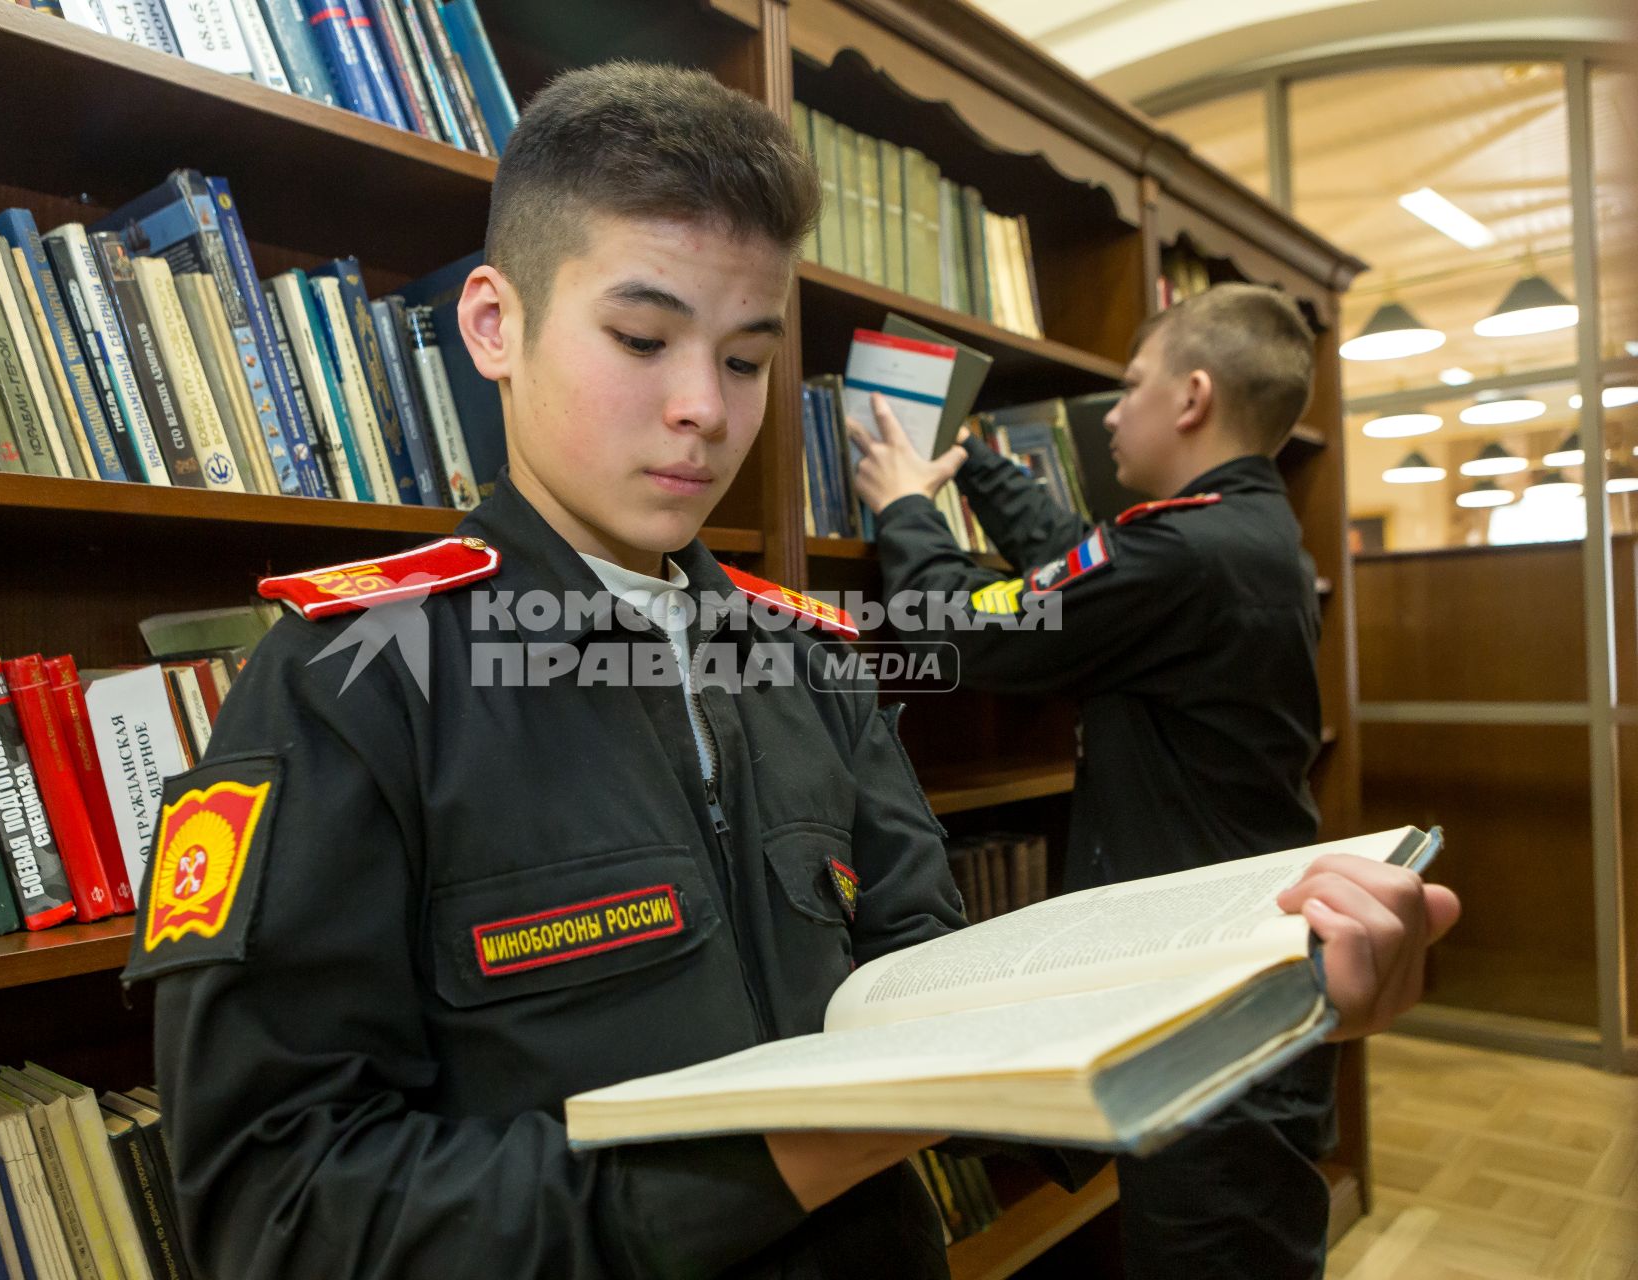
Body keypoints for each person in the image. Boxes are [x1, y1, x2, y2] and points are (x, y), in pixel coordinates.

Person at [124, 65, 1457, 1280]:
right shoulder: (346, 683)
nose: (706, 405)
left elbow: (952, 1002)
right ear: (494, 324)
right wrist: (768, 1164)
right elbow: (276, 1213)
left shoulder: (810, 661)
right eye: (643, 339)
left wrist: (1268, 1009)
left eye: (751, 356)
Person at [850, 283, 1392, 1278]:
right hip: (1242, 994)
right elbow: (1080, 569)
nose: (1111, 408)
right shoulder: (1239, 532)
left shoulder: (1183, 552)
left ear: (1190, 397)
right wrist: (977, 466)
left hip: (1211, 1024)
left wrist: (904, 508)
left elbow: (968, 628)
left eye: (1132, 383)